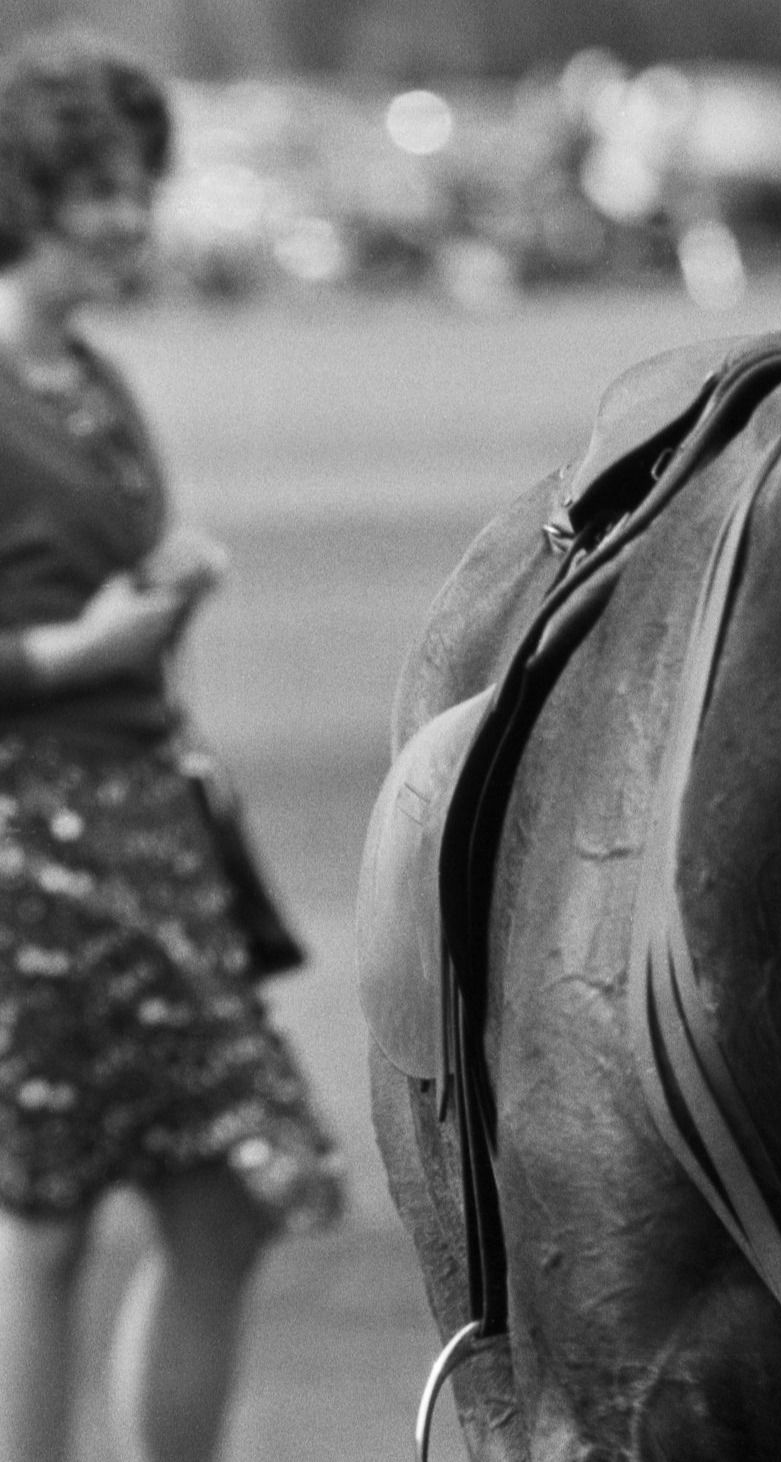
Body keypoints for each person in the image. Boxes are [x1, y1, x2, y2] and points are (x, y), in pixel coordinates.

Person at [0, 33, 342, 1462]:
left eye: (139, 187)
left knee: (236, 1189)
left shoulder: (93, 376)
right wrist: (82, 651)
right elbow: (61, 632)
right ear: (25, 193)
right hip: (34, 829)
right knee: (52, 1216)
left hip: (150, 812)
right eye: (101, 191)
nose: (133, 218)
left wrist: (165, 590)